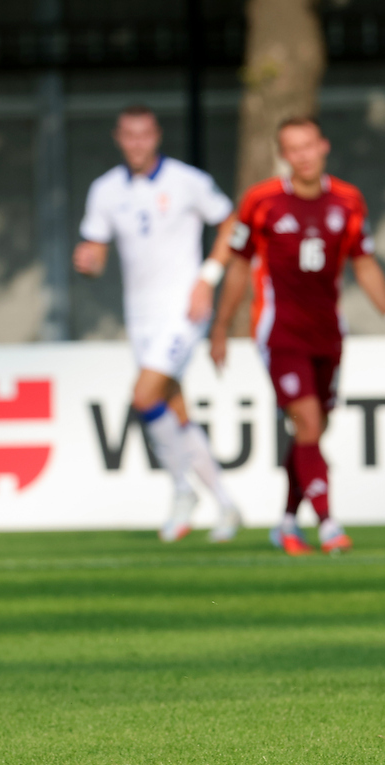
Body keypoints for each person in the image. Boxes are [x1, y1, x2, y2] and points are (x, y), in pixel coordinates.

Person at [209, 116, 385, 555]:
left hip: (328, 333)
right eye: (292, 149)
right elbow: (239, 265)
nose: (302, 155)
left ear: (323, 146)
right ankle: (329, 524)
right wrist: (221, 327)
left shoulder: (348, 200)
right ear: (283, 156)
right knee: (308, 422)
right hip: (279, 332)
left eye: (308, 146)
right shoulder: (261, 202)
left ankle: (285, 523)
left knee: (312, 432)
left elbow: (366, 263)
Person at [74, 105, 240, 543]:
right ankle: (224, 503)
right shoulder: (106, 190)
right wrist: (88, 262)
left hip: (184, 310)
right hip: (141, 315)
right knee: (173, 408)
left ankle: (184, 491)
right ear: (118, 138)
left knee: (144, 396)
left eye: (144, 135)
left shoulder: (188, 181)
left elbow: (232, 223)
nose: (137, 143)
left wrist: (208, 279)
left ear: (156, 136)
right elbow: (97, 250)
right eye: (129, 135)